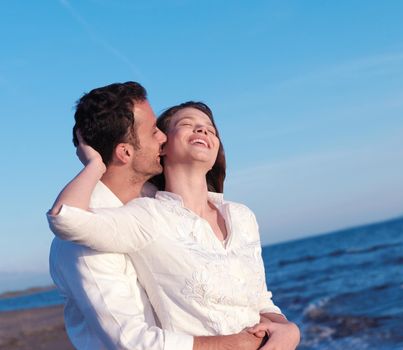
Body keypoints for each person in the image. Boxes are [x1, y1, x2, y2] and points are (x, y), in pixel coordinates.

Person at [48, 100, 301, 349]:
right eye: (186, 124)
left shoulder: (242, 216)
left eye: (210, 129)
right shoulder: (148, 215)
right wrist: (95, 165)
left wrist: (288, 329)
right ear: (163, 147)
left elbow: (260, 300)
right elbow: (66, 218)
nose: (202, 130)